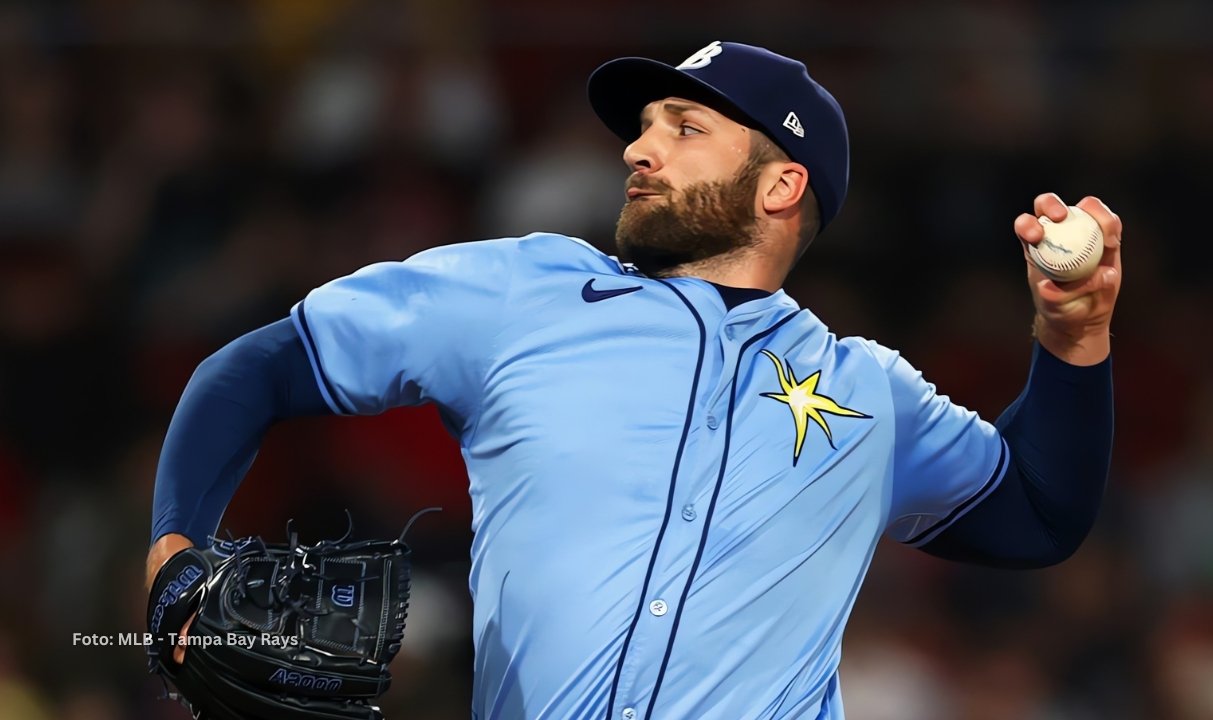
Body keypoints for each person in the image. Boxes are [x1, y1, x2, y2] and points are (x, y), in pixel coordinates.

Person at [146, 41, 1121, 719]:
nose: (637, 147)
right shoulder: (522, 290)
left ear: (782, 185)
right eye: (644, 126)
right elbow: (256, 368)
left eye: (683, 127)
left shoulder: (868, 393)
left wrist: (1071, 338)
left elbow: (1037, 513)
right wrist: (174, 550)